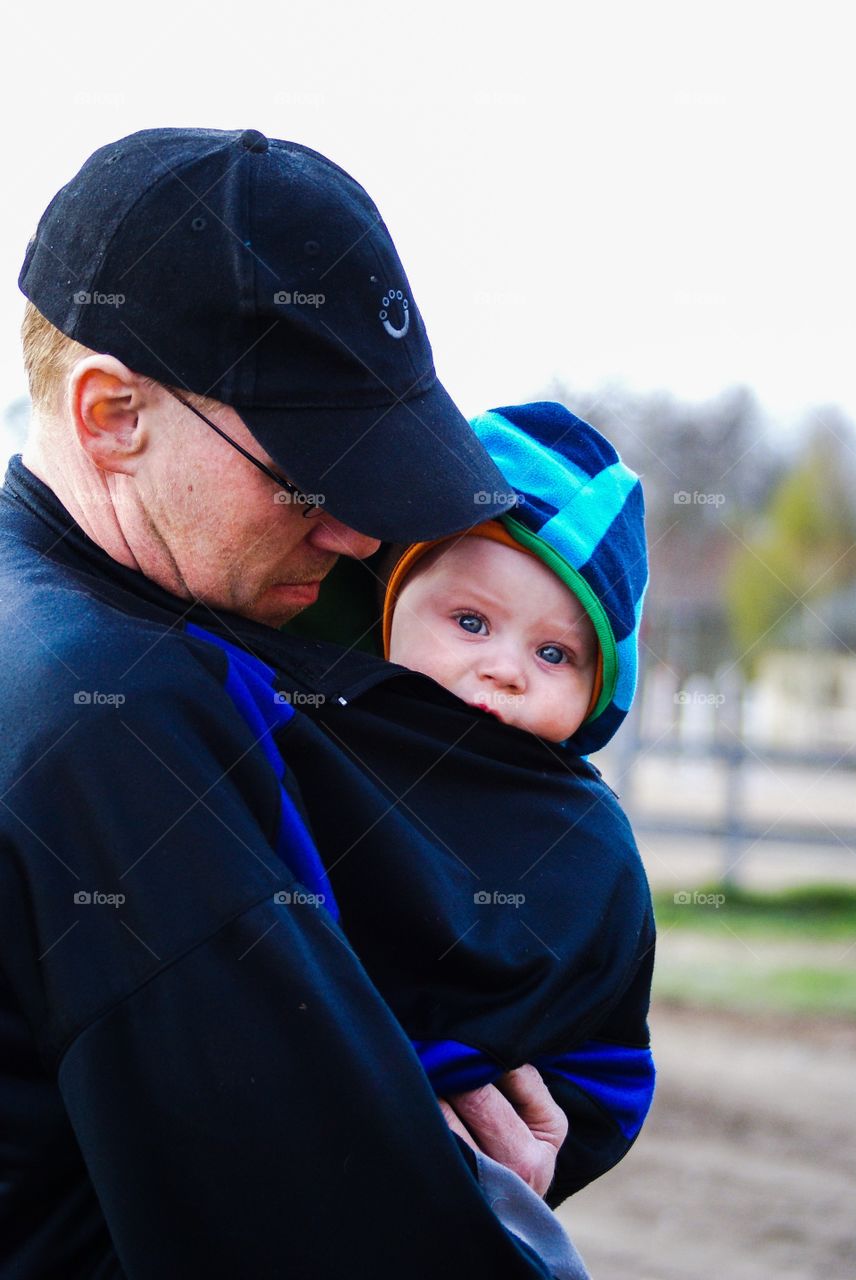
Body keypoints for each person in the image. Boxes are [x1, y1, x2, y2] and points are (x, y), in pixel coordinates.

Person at [0, 128, 589, 1280]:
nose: (359, 528)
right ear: (111, 414)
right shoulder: (119, 717)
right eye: (307, 469)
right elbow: (333, 1237)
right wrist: (483, 1207)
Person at [280, 401, 655, 1208]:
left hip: (479, 1156)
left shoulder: (578, 834)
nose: (506, 670)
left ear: (598, 690)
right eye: (471, 621)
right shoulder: (307, 731)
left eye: (554, 652)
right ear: (390, 610)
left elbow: (606, 1058)